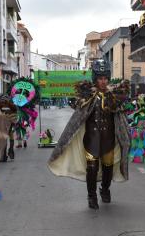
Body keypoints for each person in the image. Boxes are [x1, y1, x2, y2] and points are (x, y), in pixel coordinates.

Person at [48, 59, 130, 210]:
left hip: (109, 138)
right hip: (91, 138)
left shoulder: (114, 96)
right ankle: (91, 196)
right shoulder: (87, 96)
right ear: (95, 79)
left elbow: (122, 113)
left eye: (105, 78)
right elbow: (77, 112)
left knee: (108, 167)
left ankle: (105, 189)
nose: (103, 81)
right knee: (91, 168)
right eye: (100, 78)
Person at [10, 78, 39, 149]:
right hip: (25, 117)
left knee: (17, 129)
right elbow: (30, 107)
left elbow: (13, 106)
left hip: (17, 117)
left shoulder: (15, 99)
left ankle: (19, 143)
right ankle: (25, 140)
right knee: (24, 129)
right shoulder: (26, 100)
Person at [0, 97, 17, 162]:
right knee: (10, 139)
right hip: (9, 127)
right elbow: (14, 119)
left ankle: (4, 155)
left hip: (2, 128)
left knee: (3, 141)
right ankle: (10, 151)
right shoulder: (11, 108)